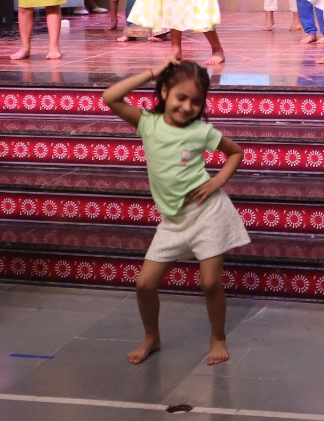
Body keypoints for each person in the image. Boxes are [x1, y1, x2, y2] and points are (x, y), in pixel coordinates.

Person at [102, 61, 249, 366]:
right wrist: (152, 72)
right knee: (144, 285)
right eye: (181, 97)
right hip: (173, 221)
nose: (187, 107)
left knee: (210, 282)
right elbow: (111, 97)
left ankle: (217, 337)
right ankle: (151, 337)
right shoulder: (148, 123)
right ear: (165, 92)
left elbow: (235, 152)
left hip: (208, 213)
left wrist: (217, 181)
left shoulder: (201, 131)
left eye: (196, 101)